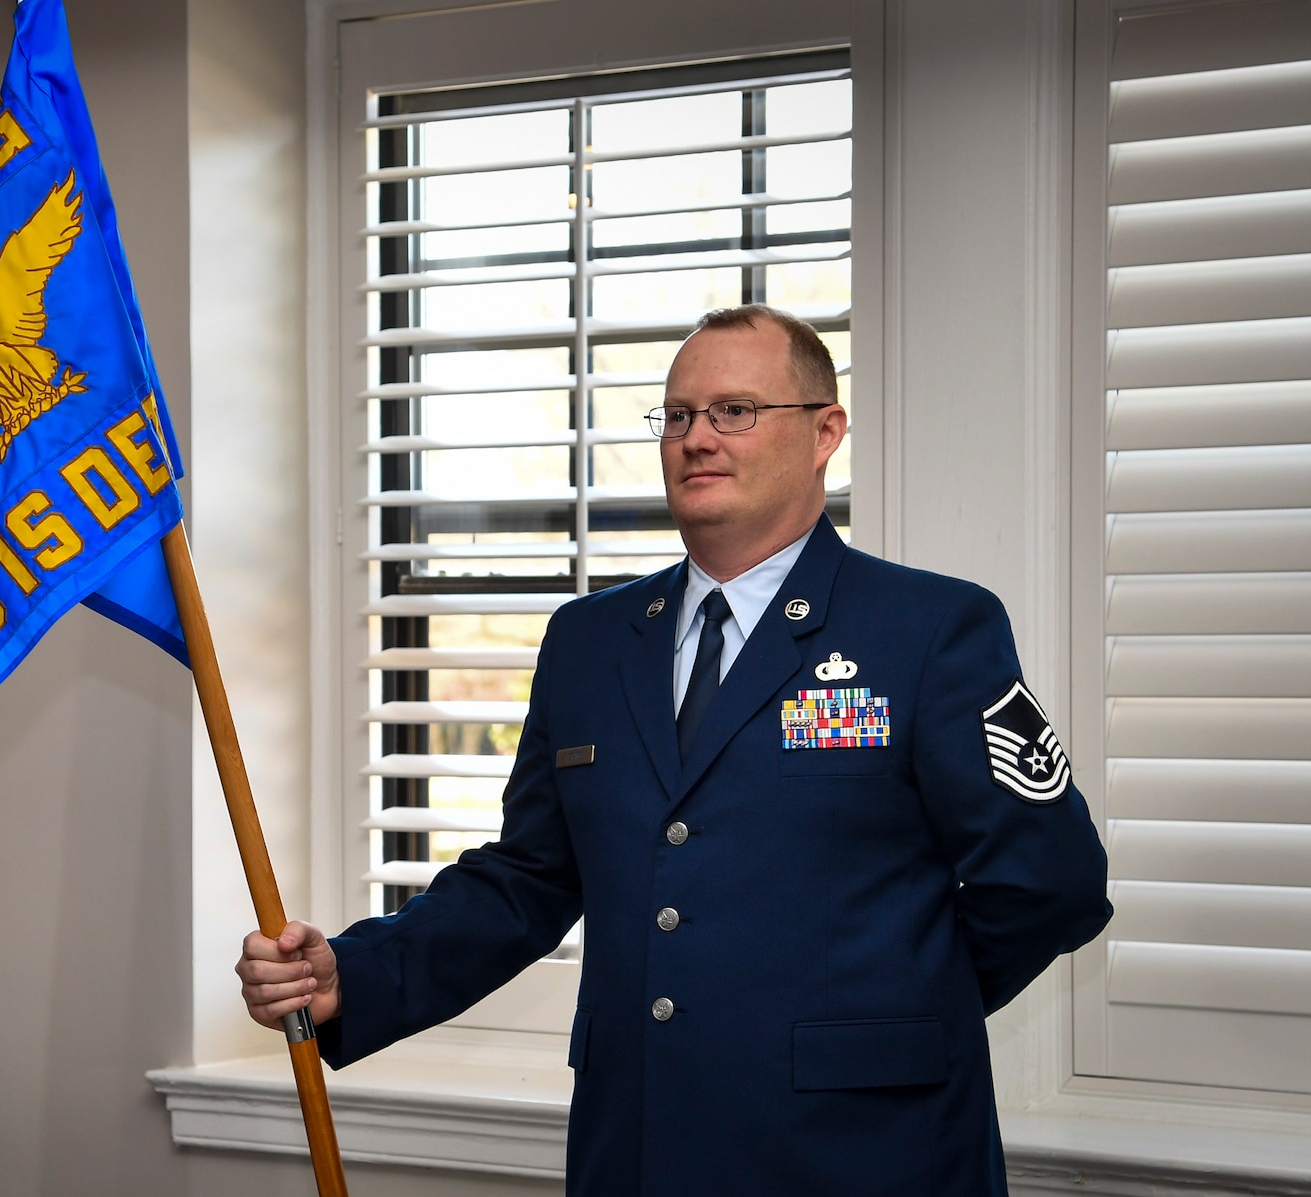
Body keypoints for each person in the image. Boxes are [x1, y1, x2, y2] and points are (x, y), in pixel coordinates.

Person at [238, 304, 1111, 1196]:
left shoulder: (927, 629)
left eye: (735, 410)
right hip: (641, 1146)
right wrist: (356, 971)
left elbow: (1054, 883)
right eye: (679, 415)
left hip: (865, 1151)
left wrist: (895, 1007)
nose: (699, 437)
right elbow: (531, 877)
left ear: (824, 432)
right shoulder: (589, 641)